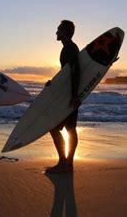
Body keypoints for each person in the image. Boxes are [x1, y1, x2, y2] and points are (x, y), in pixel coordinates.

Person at [45, 20, 81, 173]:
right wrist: (53, 83)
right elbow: (66, 73)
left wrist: (73, 96)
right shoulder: (70, 48)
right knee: (70, 129)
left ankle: (63, 163)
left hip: (68, 95)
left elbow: (76, 71)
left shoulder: (69, 49)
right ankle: (68, 164)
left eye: (58, 30)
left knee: (54, 128)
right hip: (69, 93)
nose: (56, 33)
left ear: (65, 32)